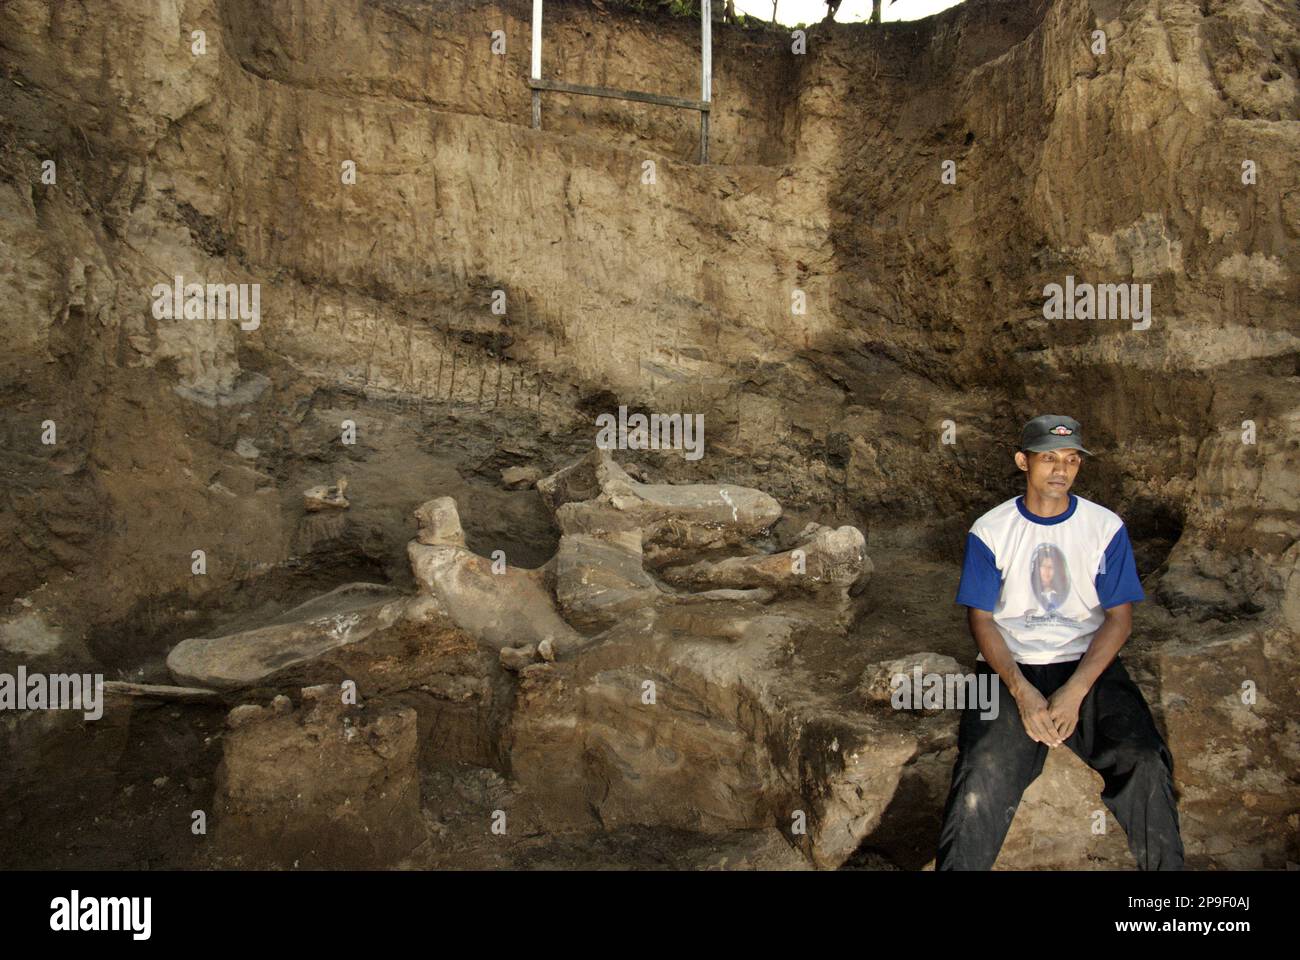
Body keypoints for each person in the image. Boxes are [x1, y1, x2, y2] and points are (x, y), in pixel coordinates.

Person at [936, 414, 1185, 870]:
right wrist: (1022, 692)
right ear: (1022, 461)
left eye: (1071, 460)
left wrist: (1075, 690)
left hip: (1087, 665)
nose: (1061, 469)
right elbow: (982, 620)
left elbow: (1119, 619)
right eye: (1048, 457)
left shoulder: (1104, 527)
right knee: (980, 774)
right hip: (1007, 666)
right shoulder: (991, 530)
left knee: (1144, 759)